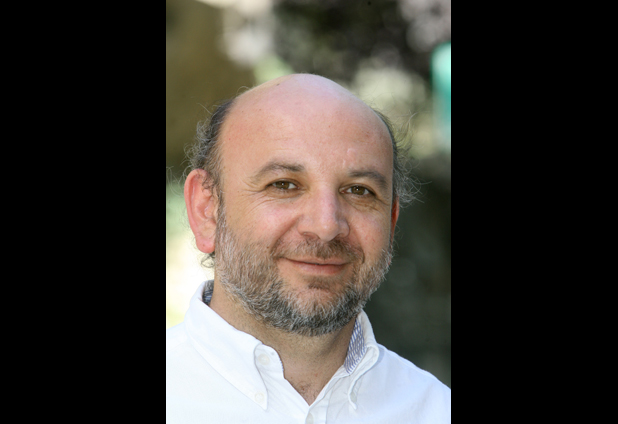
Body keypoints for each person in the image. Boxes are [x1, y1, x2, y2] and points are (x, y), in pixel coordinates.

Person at [166, 74, 450, 423]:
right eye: (284, 185)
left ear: (391, 221)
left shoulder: (436, 411)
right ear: (206, 210)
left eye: (359, 191)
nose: (326, 226)